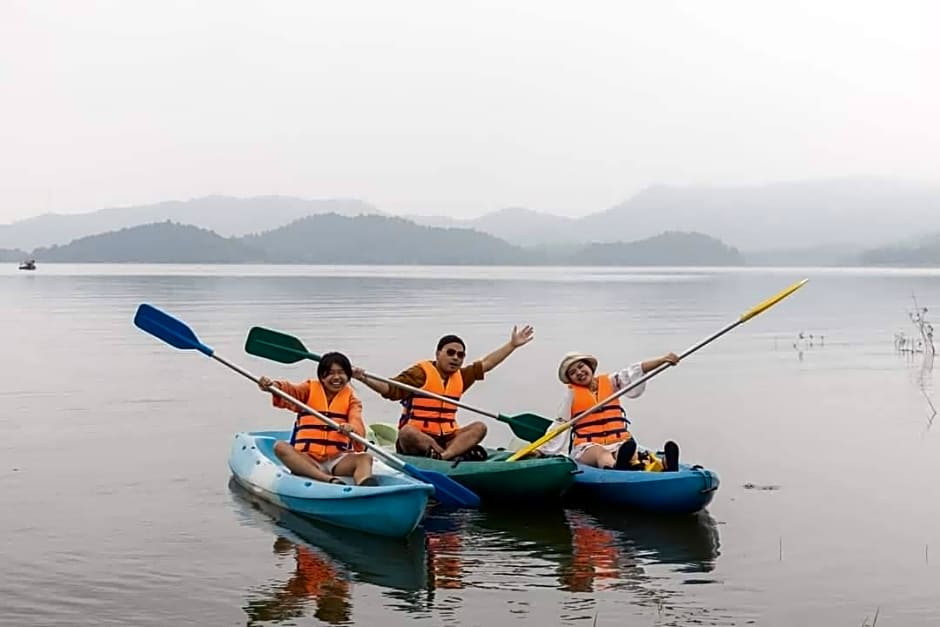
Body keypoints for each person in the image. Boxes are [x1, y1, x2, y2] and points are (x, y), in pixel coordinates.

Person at [353, 326, 535, 461]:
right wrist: (363, 378)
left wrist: (512, 345)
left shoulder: (461, 377)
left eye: (460, 355)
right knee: (407, 432)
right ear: (438, 353)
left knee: (480, 427)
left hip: (447, 440)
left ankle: (444, 456)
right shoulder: (420, 373)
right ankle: (449, 454)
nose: (455, 357)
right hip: (419, 440)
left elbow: (487, 364)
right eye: (450, 353)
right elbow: (390, 389)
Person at [538, 351, 681, 471]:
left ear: (590, 367)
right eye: (573, 373)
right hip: (588, 446)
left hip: (618, 441)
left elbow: (635, 371)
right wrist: (541, 449)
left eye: (581, 367)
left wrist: (663, 360)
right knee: (602, 454)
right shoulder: (571, 395)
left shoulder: (611, 382)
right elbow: (560, 424)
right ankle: (617, 467)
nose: (579, 373)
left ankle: (666, 465)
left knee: (629, 453)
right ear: (570, 379)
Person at [258, 351, 377, 486]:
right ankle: (327, 479)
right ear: (322, 376)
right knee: (280, 447)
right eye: (331, 373)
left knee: (365, 458)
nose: (336, 377)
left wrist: (352, 429)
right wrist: (273, 386)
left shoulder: (352, 401)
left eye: (341, 373)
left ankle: (365, 485)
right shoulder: (308, 390)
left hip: (337, 460)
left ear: (348, 376)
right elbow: (290, 391)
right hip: (307, 458)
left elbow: (356, 422)